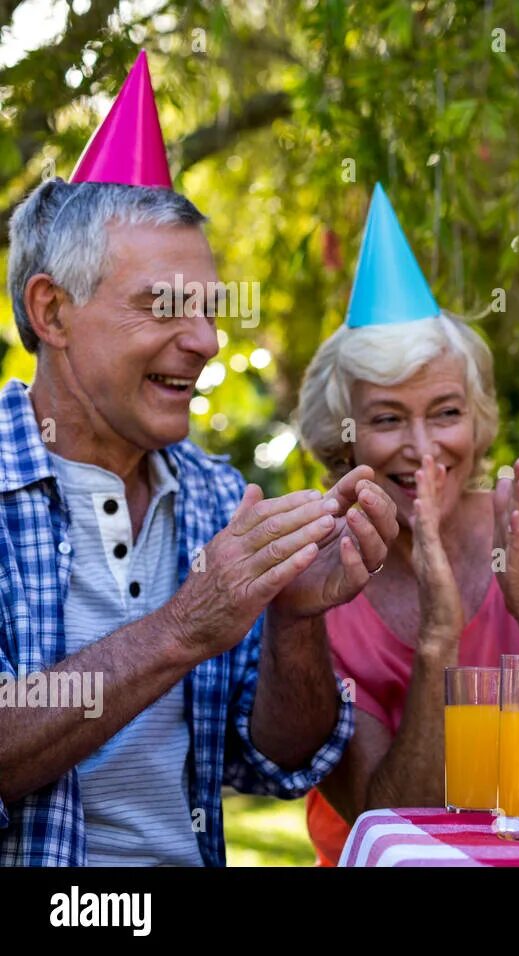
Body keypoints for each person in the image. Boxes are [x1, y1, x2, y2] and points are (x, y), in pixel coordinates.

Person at [0, 53, 396, 866]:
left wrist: (294, 618)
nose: (207, 342)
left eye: (210, 312)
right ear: (53, 311)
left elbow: (281, 763)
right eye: (164, 308)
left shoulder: (220, 496)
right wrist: (183, 627)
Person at [296, 186, 519, 864]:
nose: (423, 449)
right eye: (387, 419)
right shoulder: (320, 580)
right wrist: (437, 641)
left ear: (479, 426)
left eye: (446, 413)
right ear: (344, 445)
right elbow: (385, 824)